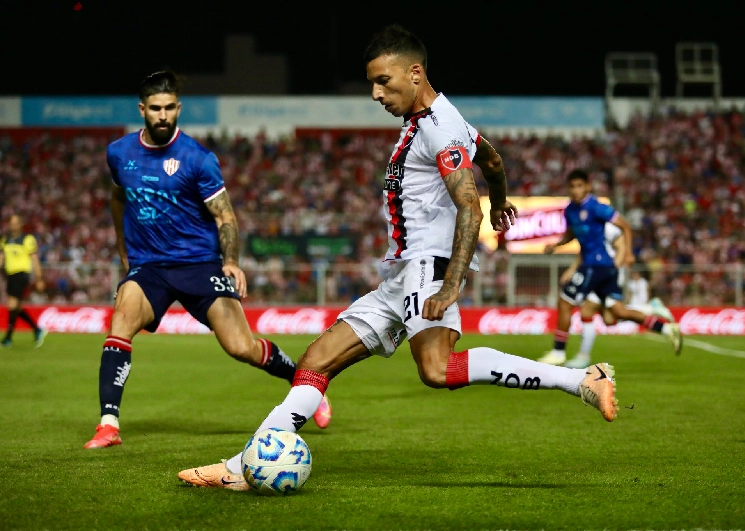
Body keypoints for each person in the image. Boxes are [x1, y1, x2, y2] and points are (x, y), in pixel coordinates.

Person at [178, 24, 619, 491]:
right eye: (372, 82)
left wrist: (450, 284)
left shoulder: (440, 127)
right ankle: (243, 465)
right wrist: (503, 199)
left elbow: (469, 203)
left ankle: (580, 380)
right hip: (404, 273)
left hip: (429, 267)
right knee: (316, 361)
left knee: (437, 369)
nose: (375, 93)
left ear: (414, 72)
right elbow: (490, 160)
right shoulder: (443, 121)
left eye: (382, 81)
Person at [83, 71, 331, 449]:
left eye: (169, 108)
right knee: (121, 321)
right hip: (150, 266)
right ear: (142, 110)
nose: (163, 115)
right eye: (155, 109)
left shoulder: (198, 159)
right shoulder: (119, 153)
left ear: (178, 108)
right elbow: (119, 200)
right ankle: (108, 424)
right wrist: (123, 251)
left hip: (200, 264)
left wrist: (230, 260)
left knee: (240, 347)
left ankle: (304, 380)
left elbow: (225, 216)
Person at [538, 170, 682, 369]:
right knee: (617, 313)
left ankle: (559, 352)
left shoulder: (597, 208)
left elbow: (625, 226)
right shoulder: (569, 211)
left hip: (597, 265)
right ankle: (665, 328)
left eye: (580, 186)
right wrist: (556, 245)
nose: (576, 190)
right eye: (572, 186)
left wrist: (628, 253)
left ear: (588, 186)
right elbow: (572, 234)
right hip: (600, 267)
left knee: (565, 302)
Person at [541, 223, 675, 369]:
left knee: (586, 310)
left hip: (607, 274)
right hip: (597, 273)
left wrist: (614, 268)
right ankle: (651, 311)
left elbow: (622, 244)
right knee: (610, 318)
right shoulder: (591, 229)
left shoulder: (608, 227)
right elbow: (585, 252)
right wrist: (572, 269)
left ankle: (581, 356)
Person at [0, 214, 48, 348]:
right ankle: (37, 329)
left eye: (16, 222)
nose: (14, 225)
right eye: (11, 222)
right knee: (16, 307)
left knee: (12, 304)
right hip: (10, 275)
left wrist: (39, 278)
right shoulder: (5, 240)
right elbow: (1, 258)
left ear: (20, 224)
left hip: (22, 275)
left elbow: (35, 259)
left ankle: (7, 338)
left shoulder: (27, 239)